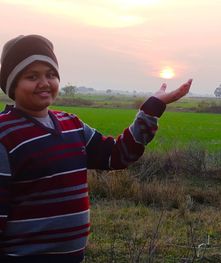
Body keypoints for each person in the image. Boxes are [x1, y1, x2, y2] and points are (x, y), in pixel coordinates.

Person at [0, 34, 192, 262]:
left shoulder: (72, 125)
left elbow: (117, 155)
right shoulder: (5, 134)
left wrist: (153, 107)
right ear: (12, 84)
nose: (44, 83)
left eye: (51, 74)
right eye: (32, 76)